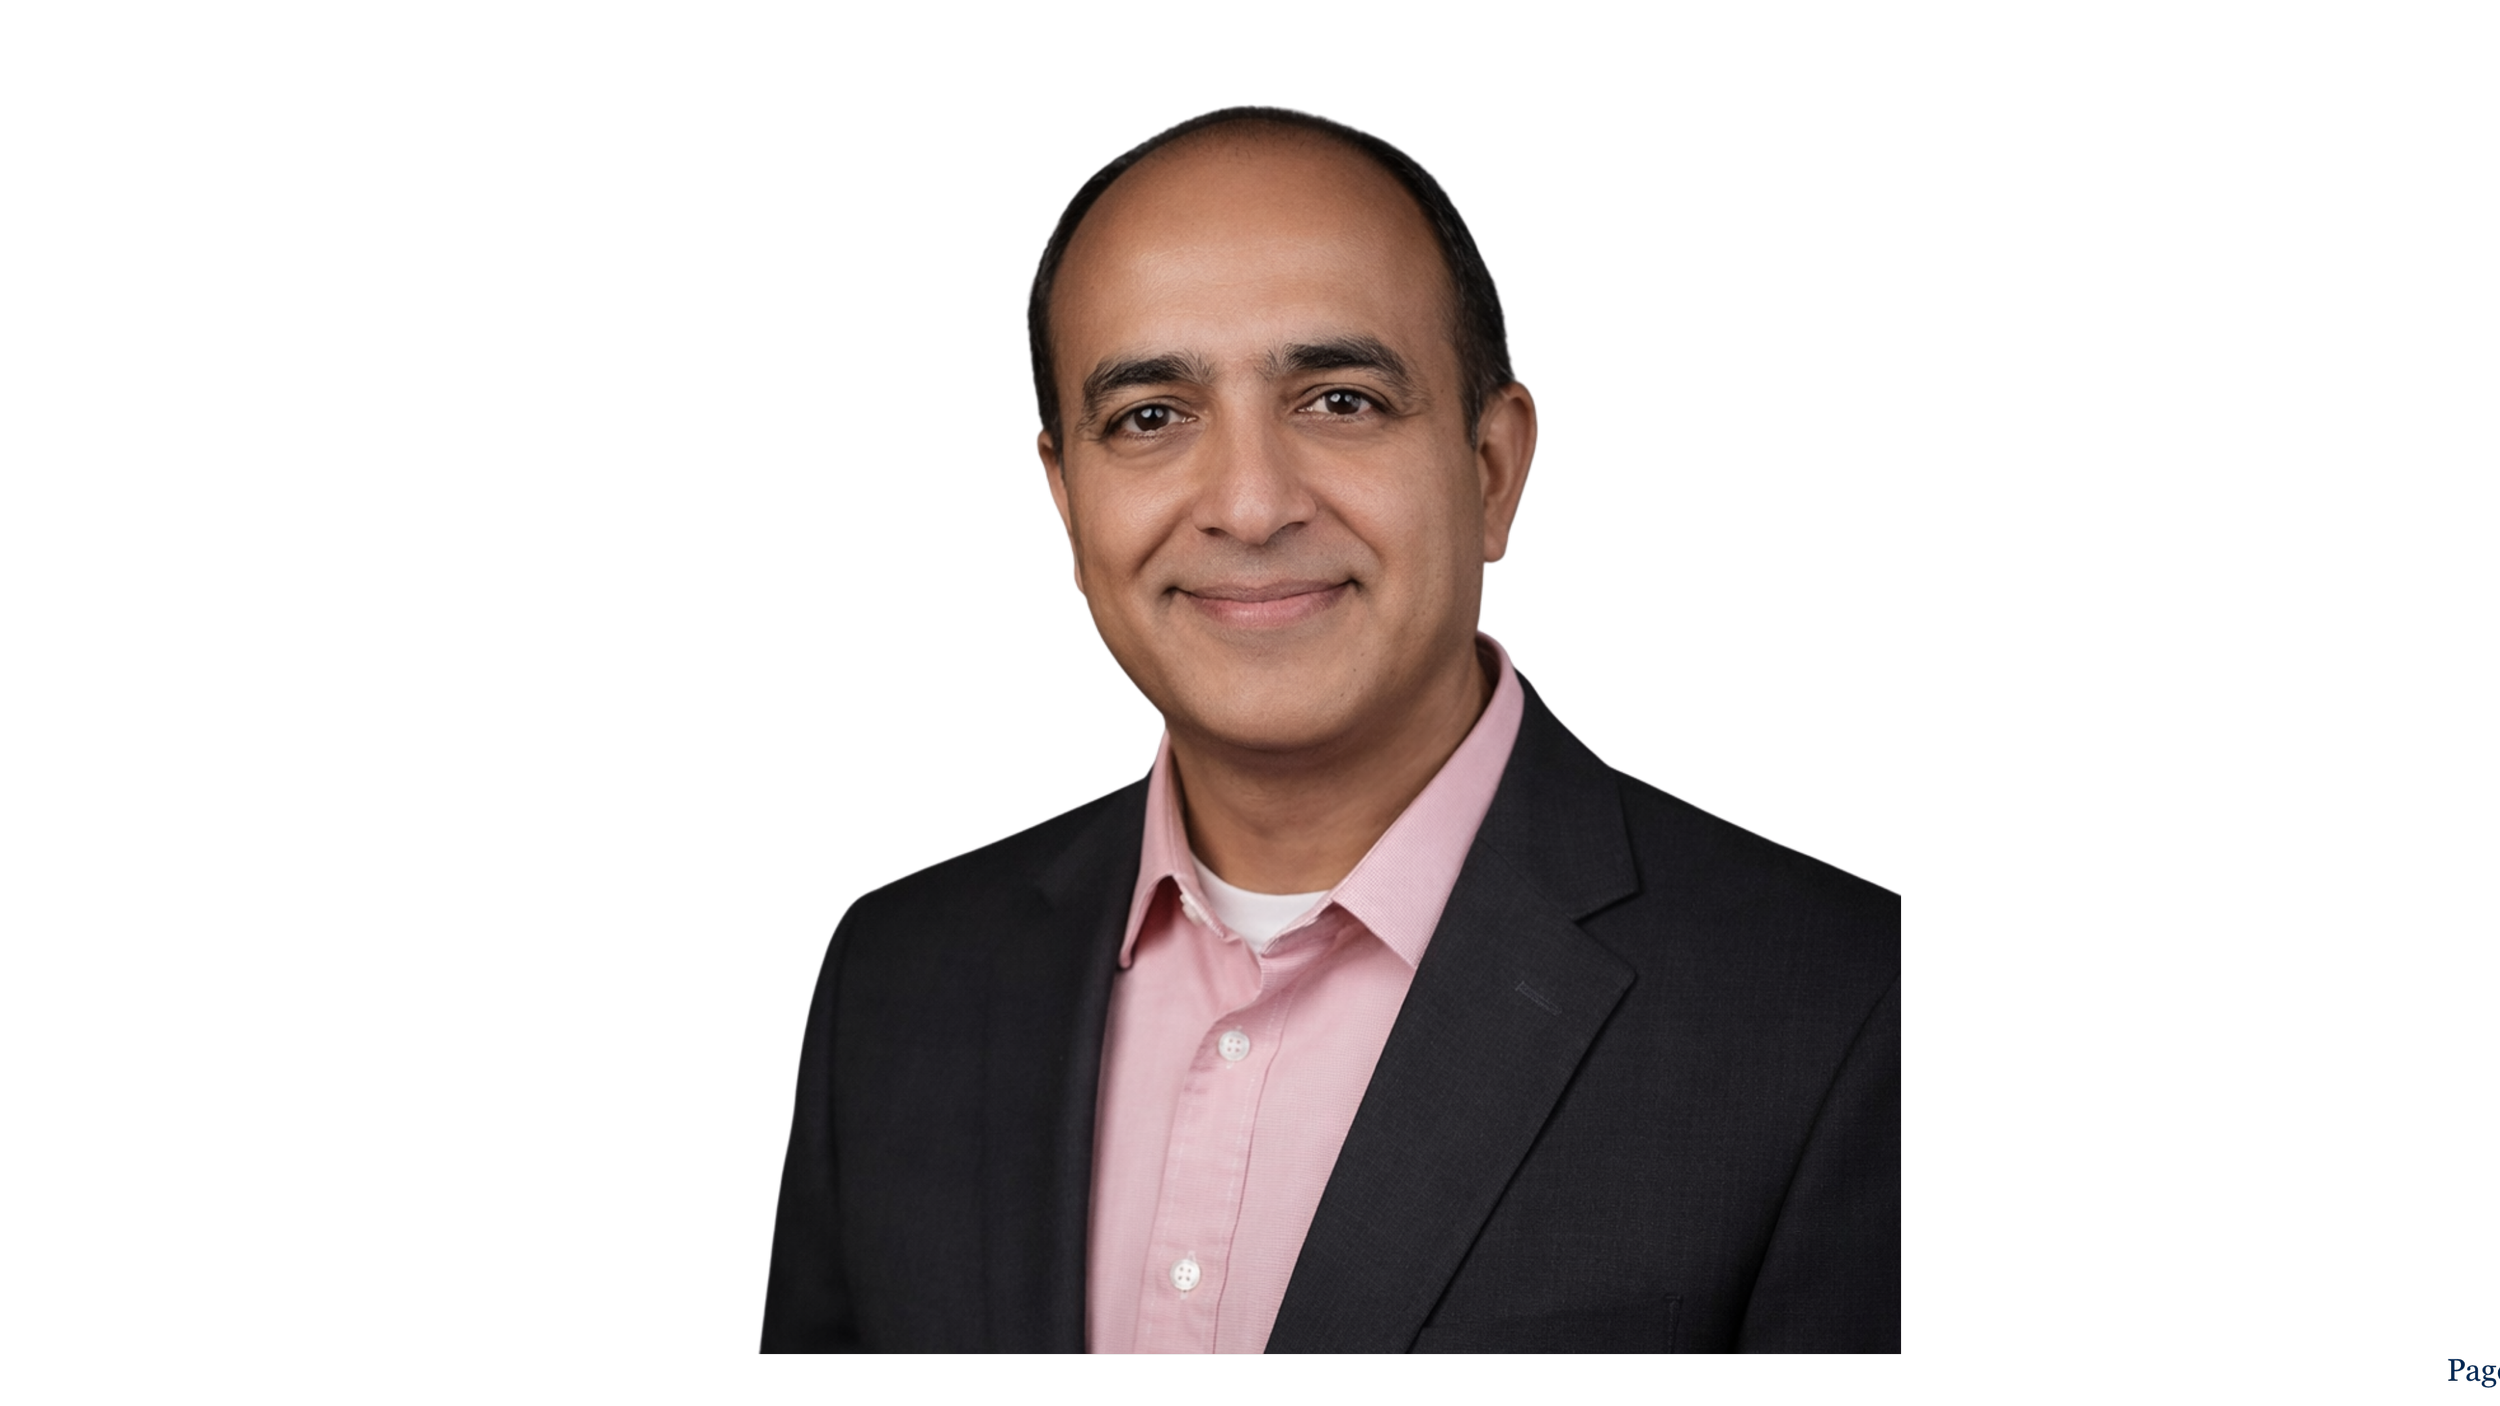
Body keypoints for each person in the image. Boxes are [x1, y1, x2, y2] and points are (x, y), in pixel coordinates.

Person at [759, 106, 1900, 1355]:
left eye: (1340, 399)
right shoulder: (896, 973)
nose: (1250, 504)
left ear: (1493, 468)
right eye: (1150, 415)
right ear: (1066, 509)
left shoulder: (1847, 1005)